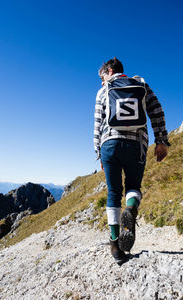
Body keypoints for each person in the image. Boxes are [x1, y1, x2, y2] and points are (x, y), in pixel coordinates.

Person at [94, 57, 170, 265]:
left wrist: (99, 153)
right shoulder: (141, 84)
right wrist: (161, 141)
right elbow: (157, 112)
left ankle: (115, 245)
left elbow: (97, 124)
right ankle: (131, 209)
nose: (101, 82)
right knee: (133, 187)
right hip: (136, 146)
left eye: (102, 77)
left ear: (110, 71)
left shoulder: (103, 91)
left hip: (110, 145)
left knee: (113, 192)